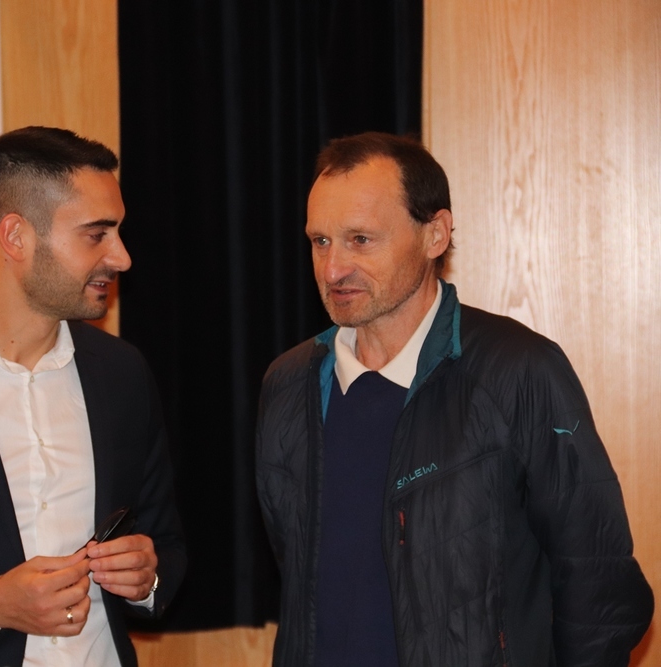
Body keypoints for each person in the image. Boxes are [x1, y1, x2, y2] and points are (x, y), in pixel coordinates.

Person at [255, 132, 654, 666]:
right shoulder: (289, 383)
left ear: (435, 234)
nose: (332, 268)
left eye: (361, 239)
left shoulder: (519, 371)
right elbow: (296, 568)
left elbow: (598, 584)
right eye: (321, 241)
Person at [0, 126, 186, 667]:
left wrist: (147, 576)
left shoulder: (121, 373)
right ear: (16, 237)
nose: (121, 257)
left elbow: (165, 543)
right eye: (96, 235)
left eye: (117, 232)